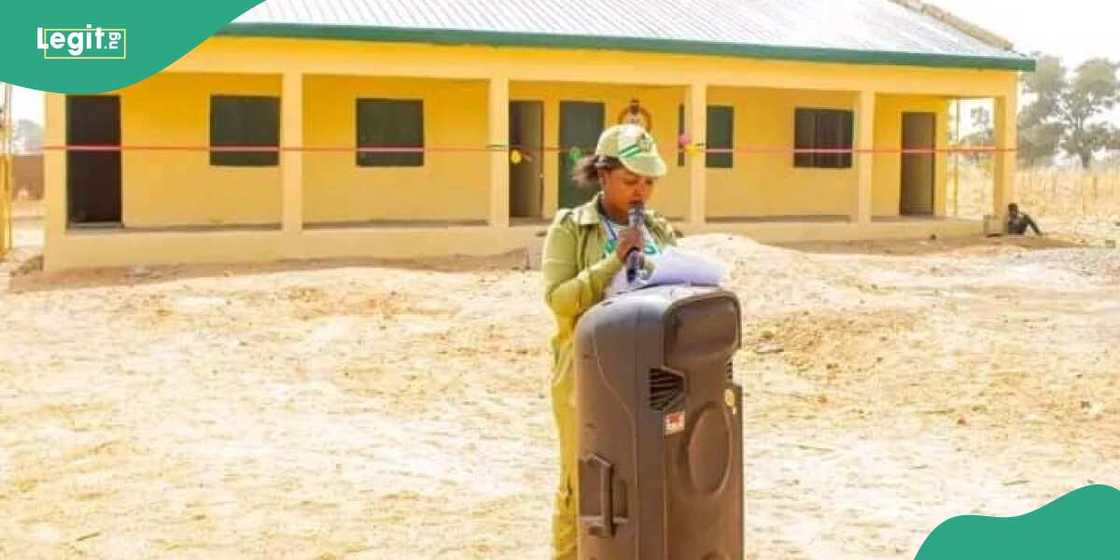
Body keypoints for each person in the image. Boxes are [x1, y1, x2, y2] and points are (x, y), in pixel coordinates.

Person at [541, 124, 677, 559]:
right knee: (585, 482)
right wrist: (613, 260)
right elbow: (561, 300)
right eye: (630, 181)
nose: (641, 192)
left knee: (645, 478)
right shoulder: (571, 227)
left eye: (649, 182)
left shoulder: (659, 229)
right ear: (603, 176)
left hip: (651, 371)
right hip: (588, 373)